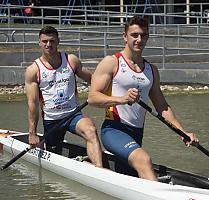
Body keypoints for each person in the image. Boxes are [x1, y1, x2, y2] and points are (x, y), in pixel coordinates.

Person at [88, 16, 199, 180]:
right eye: (134, 35)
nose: (139, 40)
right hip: (114, 130)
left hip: (137, 133)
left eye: (143, 35)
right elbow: (92, 98)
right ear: (124, 36)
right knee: (143, 159)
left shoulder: (151, 70)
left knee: (129, 172)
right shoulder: (112, 62)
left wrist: (183, 132)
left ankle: (93, 167)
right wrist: (122, 99)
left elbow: (162, 107)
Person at [25, 26, 103, 168]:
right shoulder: (33, 70)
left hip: (73, 115)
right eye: (45, 41)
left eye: (52, 41)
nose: (49, 44)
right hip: (52, 120)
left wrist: (106, 92)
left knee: (91, 131)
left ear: (58, 41)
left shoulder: (71, 60)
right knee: (54, 153)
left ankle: (99, 170)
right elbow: (33, 104)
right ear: (39, 43)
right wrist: (32, 133)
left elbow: (92, 79)